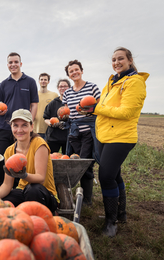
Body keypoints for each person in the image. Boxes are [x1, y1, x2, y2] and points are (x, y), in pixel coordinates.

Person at [80, 47, 148, 237]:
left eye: (120, 59)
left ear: (130, 60)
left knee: (106, 176)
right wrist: (92, 109)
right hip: (105, 136)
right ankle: (121, 214)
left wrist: (96, 109)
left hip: (121, 137)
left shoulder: (135, 82)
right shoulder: (112, 82)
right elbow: (102, 106)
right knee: (115, 175)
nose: (116, 62)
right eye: (113, 60)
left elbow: (127, 112)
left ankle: (111, 222)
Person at [0, 109, 59, 214]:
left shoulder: (39, 144)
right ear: (11, 127)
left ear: (32, 127)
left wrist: (24, 175)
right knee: (2, 204)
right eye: (15, 125)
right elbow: (7, 185)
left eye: (24, 125)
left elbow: (40, 178)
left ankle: (40, 221)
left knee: (33, 189)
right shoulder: (9, 151)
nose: (19, 130)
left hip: (44, 194)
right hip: (23, 192)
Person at [0, 52, 39, 188]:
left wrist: (30, 122)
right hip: (3, 127)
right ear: (7, 65)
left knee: (21, 160)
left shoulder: (30, 82)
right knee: (2, 159)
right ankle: (3, 187)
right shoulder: (4, 84)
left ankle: (20, 188)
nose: (13, 65)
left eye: (16, 62)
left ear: (20, 64)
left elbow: (34, 103)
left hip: (21, 129)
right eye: (10, 62)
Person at [62, 60, 101, 206]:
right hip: (74, 133)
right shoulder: (67, 93)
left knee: (85, 164)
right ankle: (77, 194)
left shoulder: (92, 87)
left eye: (76, 69)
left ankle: (87, 200)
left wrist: (88, 110)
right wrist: (63, 116)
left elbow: (100, 107)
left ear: (82, 71)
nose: (74, 72)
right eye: (71, 71)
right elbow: (66, 112)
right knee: (76, 162)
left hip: (88, 133)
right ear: (69, 75)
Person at [43, 79, 71, 154]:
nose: (63, 88)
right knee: (51, 159)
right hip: (53, 137)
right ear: (58, 88)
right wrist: (51, 123)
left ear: (69, 88)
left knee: (67, 160)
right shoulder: (53, 103)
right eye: (60, 86)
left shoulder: (72, 102)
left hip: (68, 137)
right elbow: (46, 118)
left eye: (65, 86)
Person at [34, 73, 58, 139]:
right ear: (39, 81)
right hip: (36, 129)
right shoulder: (34, 95)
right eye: (41, 79)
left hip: (49, 129)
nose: (43, 81)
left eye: (45, 79)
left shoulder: (54, 95)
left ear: (48, 82)